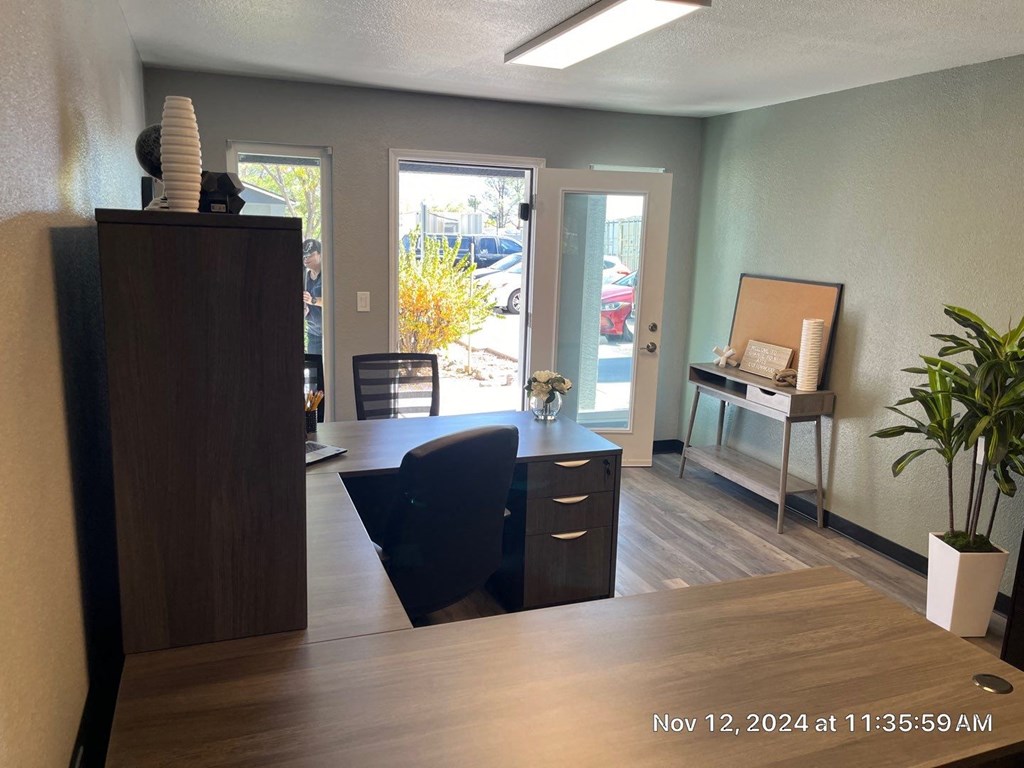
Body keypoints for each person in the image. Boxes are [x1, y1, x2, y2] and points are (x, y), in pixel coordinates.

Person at [302, 238, 323, 355]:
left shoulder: (328, 275)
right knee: (314, 371)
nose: (306, 258)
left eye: (310, 255)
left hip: (328, 333)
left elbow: (333, 301)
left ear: (320, 254)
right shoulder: (305, 277)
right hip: (313, 333)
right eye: (304, 255)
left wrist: (312, 300)